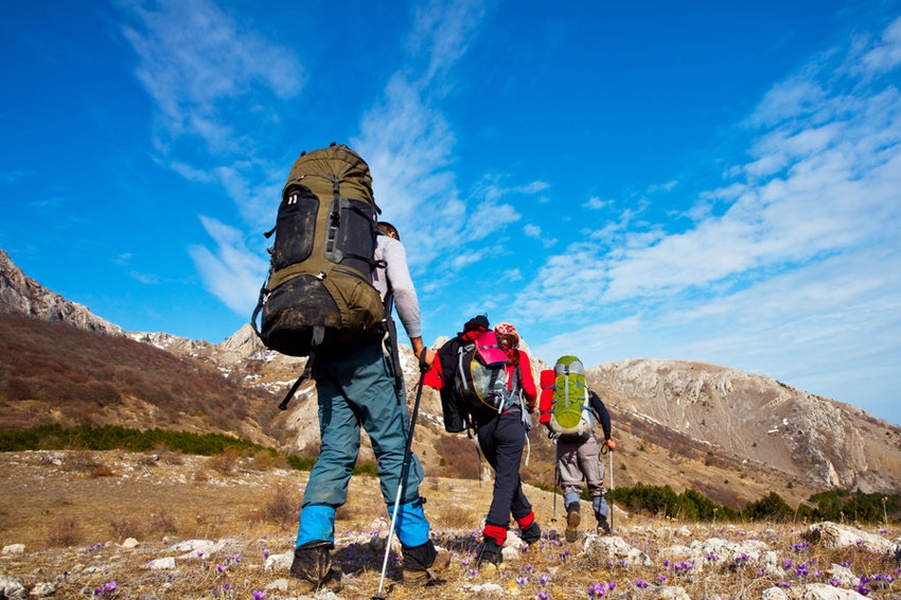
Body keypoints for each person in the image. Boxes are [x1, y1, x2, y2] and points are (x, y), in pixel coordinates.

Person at [289, 221, 448, 591]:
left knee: (334, 453)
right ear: (389, 233)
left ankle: (310, 556)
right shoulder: (386, 243)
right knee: (394, 448)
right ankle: (417, 554)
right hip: (365, 355)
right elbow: (404, 289)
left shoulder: (326, 250)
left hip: (325, 355)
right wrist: (420, 345)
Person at [424, 317, 541, 568]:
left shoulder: (477, 354)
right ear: (515, 341)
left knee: (507, 477)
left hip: (483, 429)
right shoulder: (519, 357)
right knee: (506, 479)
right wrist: (531, 404)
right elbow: (530, 389)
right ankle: (493, 540)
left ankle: (530, 528)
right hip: (510, 422)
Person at [539, 356, 616, 542]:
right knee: (596, 484)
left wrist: (556, 430)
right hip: (586, 440)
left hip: (564, 441)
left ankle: (573, 511)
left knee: (570, 484)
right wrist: (608, 437)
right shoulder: (586, 391)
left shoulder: (555, 389)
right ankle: (603, 524)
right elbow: (603, 413)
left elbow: (546, 414)